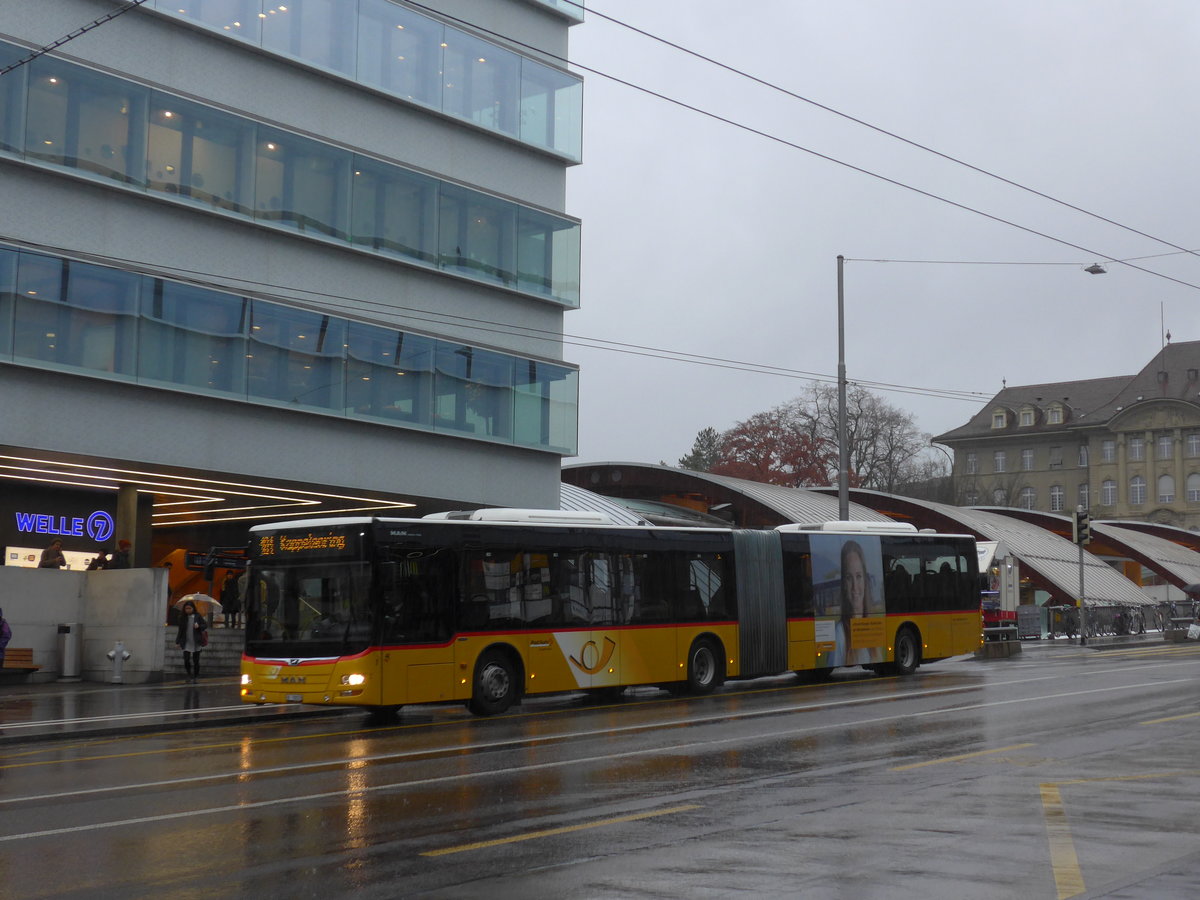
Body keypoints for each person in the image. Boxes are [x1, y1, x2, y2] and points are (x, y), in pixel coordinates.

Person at [833, 540, 882, 666]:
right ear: (844, 584)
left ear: (865, 580)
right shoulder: (839, 634)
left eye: (859, 576)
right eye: (849, 578)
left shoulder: (872, 629)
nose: (855, 587)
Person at [174, 599, 208, 683]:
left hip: (196, 641)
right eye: (186, 608)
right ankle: (189, 674)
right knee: (186, 660)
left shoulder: (197, 616)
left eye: (190, 608)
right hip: (186, 641)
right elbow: (180, 630)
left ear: (193, 608)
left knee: (196, 661)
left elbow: (205, 625)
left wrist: (199, 626)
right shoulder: (182, 617)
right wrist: (177, 642)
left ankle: (196, 676)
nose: (188, 610)